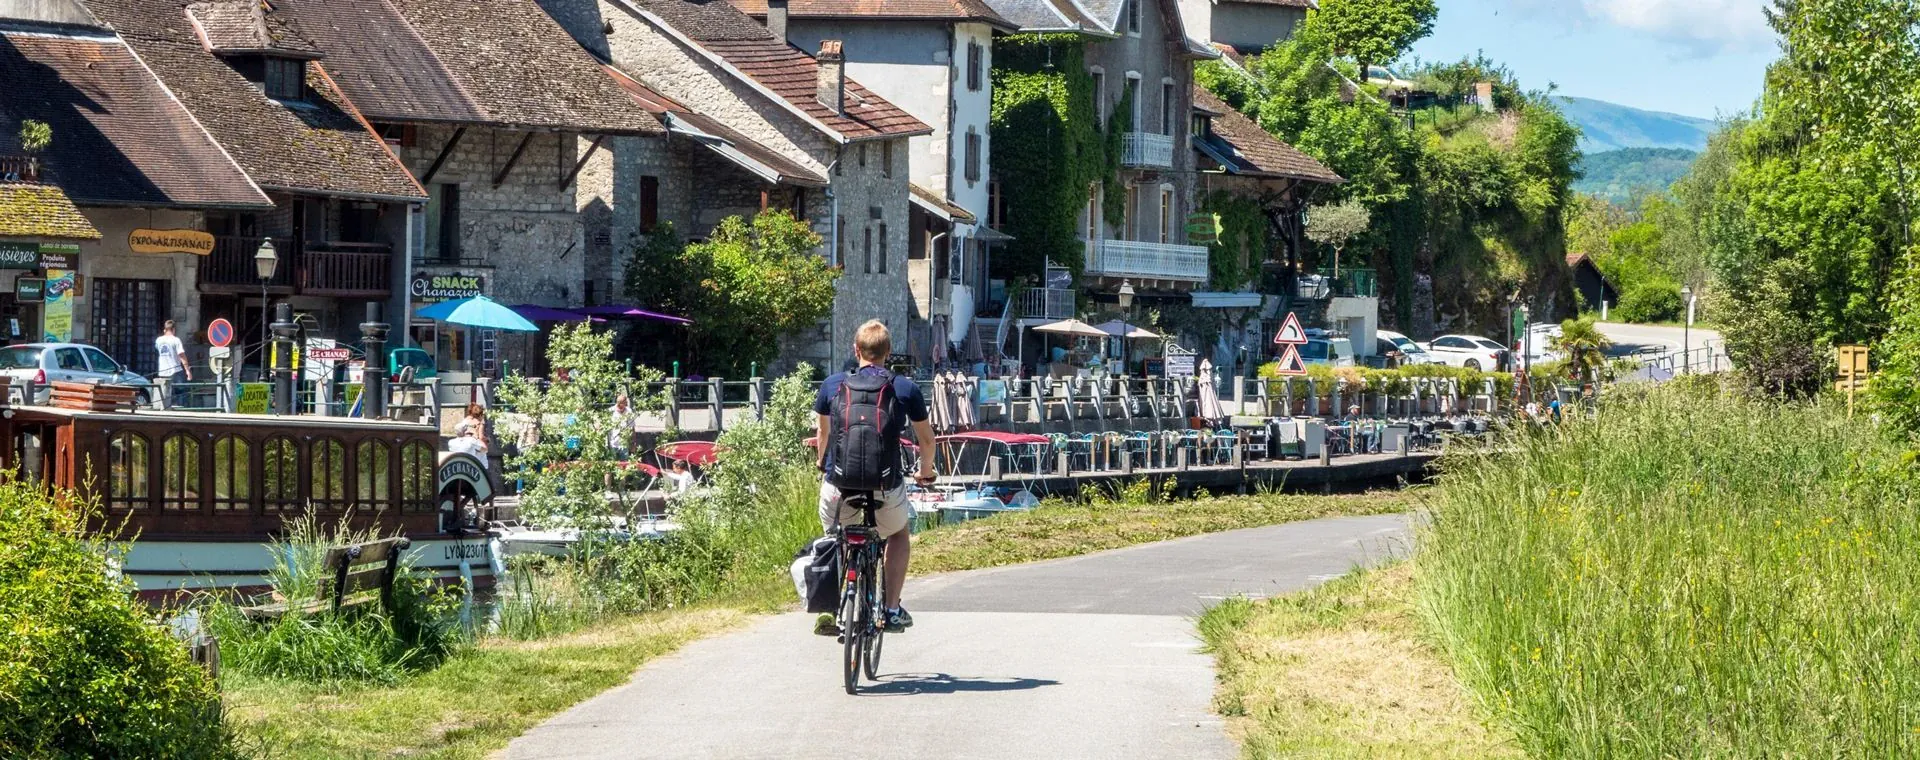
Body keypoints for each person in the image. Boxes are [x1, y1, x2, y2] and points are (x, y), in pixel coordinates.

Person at [812, 320, 937, 636]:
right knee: (898, 535)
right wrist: (925, 472)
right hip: (885, 487)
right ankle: (892, 609)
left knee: (835, 535)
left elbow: (823, 433)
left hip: (838, 487)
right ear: (888, 352)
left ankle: (830, 606)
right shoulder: (904, 388)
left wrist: (820, 463)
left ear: (856, 350)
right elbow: (927, 441)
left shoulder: (832, 385)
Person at [154, 320, 190, 409]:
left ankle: (164, 410)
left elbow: (157, 350)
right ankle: (181, 411)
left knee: (165, 394)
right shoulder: (176, 340)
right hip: (175, 371)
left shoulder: (158, 340)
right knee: (181, 392)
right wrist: (188, 371)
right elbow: (182, 356)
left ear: (164, 330)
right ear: (174, 329)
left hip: (162, 371)